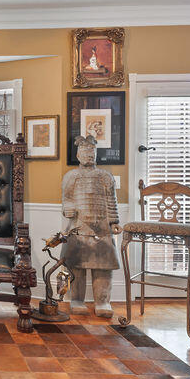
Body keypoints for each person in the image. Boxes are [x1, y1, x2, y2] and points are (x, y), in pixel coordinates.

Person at [61, 134, 121, 318]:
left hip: (102, 228)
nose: (88, 155)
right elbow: (67, 199)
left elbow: (111, 201)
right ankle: (76, 300)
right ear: (78, 155)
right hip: (78, 227)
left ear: (96, 154)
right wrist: (68, 208)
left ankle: (102, 302)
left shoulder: (105, 176)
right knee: (76, 267)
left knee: (103, 268)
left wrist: (114, 221)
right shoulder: (71, 176)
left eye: (91, 152)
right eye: (84, 151)